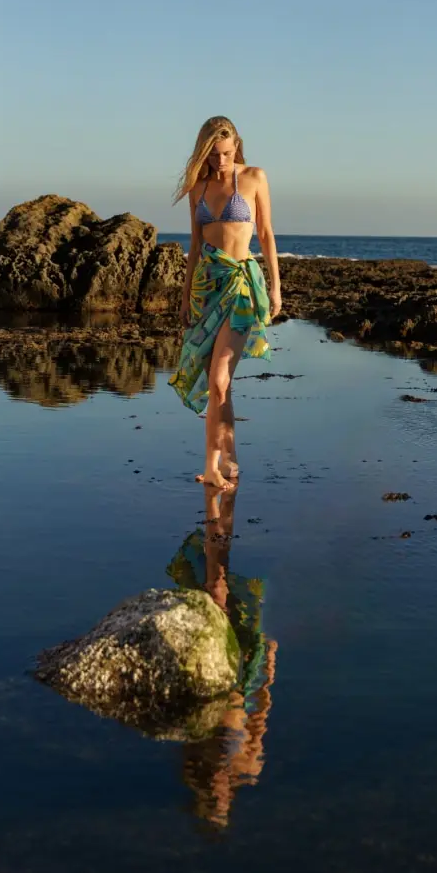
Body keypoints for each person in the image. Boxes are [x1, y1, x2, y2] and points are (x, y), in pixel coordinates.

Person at [168, 116, 282, 489]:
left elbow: (265, 234)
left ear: (237, 146)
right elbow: (195, 247)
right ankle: (230, 458)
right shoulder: (197, 188)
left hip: (241, 288)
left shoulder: (254, 178)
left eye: (227, 153)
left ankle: (212, 467)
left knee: (218, 380)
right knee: (222, 386)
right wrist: (185, 298)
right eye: (214, 154)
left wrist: (277, 288)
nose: (221, 161)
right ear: (204, 151)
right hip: (207, 287)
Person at [166, 484, 278, 830]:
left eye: (215, 801)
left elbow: (186, 725)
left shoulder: (196, 762)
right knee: (228, 607)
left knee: (220, 604)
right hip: (237, 683)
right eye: (221, 803)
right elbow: (259, 718)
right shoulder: (248, 767)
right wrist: (268, 667)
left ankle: (214, 541)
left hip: (220, 684)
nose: (220, 795)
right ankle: (215, 540)